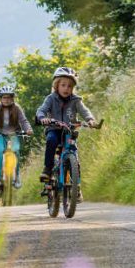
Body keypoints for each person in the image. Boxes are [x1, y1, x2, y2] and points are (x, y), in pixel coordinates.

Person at [36, 67, 97, 200]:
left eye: (69, 86)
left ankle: (77, 187)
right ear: (56, 85)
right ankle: (48, 168)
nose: (66, 88)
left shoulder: (76, 100)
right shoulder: (50, 99)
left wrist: (90, 120)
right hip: (54, 129)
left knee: (73, 153)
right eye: (63, 85)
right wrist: (42, 118)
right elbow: (41, 110)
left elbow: (84, 111)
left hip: (69, 130)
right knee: (51, 140)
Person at [0, 85, 33, 188]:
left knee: (16, 150)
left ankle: (17, 177)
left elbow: (23, 121)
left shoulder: (17, 108)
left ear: (12, 98)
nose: (6, 100)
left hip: (14, 134)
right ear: (0, 98)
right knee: (1, 150)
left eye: (9, 97)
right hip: (0, 134)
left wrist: (28, 129)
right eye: (4, 97)